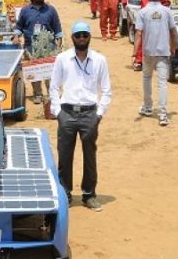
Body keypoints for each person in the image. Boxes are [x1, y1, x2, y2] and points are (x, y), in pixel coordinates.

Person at [49, 21, 111, 212]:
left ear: (89, 37)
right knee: (65, 155)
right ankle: (65, 193)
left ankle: (89, 195)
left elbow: (107, 90)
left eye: (85, 35)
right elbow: (53, 87)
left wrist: (99, 114)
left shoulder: (99, 60)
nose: (82, 38)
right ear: (72, 37)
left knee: (90, 155)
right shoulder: (62, 59)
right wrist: (57, 112)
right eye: (78, 35)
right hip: (67, 112)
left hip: (89, 113)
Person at [14, 0, 63, 104]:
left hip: (49, 45)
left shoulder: (51, 10)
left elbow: (57, 27)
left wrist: (59, 44)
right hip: (31, 45)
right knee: (34, 71)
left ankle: (52, 94)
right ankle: (38, 94)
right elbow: (19, 26)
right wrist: (16, 37)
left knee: (50, 71)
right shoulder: (25, 10)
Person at [135, 0, 176, 125]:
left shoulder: (142, 12)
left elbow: (138, 33)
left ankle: (147, 107)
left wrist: (135, 52)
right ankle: (163, 114)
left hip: (148, 52)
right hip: (163, 51)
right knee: (162, 83)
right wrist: (173, 47)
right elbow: (172, 31)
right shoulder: (167, 11)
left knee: (147, 77)